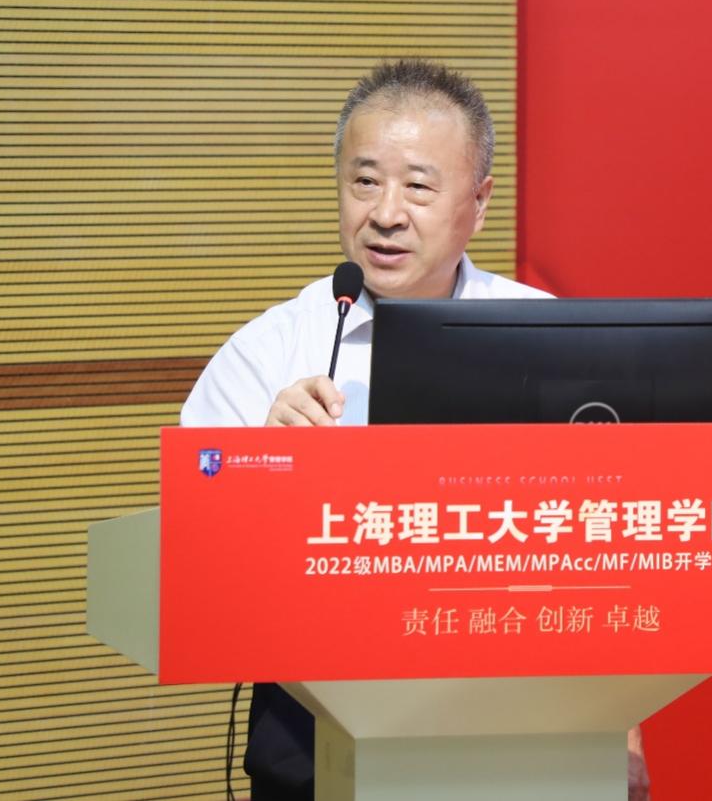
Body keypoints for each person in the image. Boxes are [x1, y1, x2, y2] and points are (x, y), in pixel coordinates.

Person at [180, 59, 648, 799]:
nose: (386, 213)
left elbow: (607, 543)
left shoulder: (547, 332)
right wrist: (259, 469)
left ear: (478, 202)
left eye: (419, 187)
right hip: (317, 732)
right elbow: (194, 567)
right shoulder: (269, 351)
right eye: (364, 181)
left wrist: (621, 728)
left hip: (521, 723)